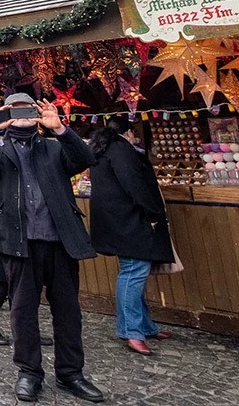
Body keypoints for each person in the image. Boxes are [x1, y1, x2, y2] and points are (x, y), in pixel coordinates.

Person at [0, 94, 104, 404]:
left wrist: (60, 128)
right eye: (16, 109)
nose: (24, 114)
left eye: (29, 108)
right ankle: (29, 373)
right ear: (8, 114)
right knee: (22, 312)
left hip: (60, 241)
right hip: (19, 243)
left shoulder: (53, 147)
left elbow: (85, 158)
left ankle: (71, 373)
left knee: (68, 313)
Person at [90, 115, 176, 356]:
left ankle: (145, 326)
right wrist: (152, 212)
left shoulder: (102, 149)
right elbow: (133, 183)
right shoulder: (121, 150)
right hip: (129, 219)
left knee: (134, 270)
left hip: (117, 220)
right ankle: (131, 331)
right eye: (133, 134)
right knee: (133, 271)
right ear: (128, 133)